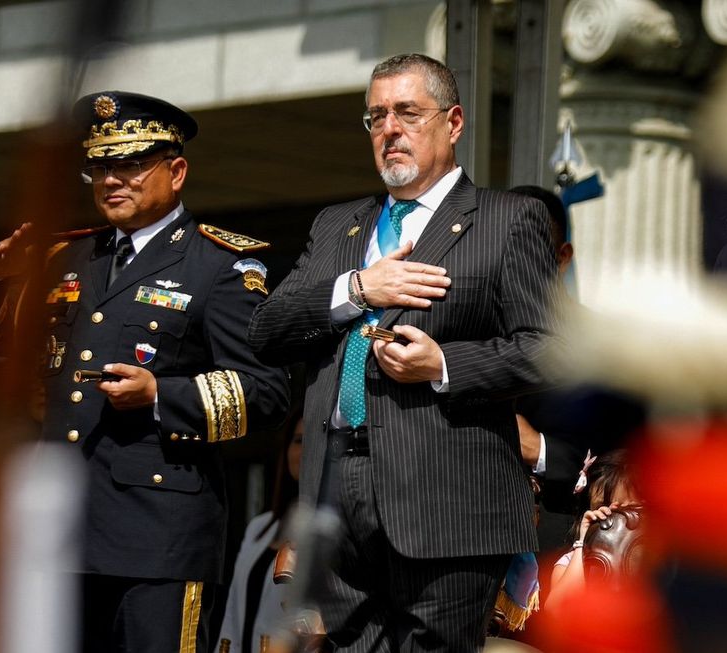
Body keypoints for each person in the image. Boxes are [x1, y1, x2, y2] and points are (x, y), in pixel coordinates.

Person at [0, 91, 290, 652]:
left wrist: (162, 394)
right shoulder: (69, 257)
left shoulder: (222, 266)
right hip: (60, 534)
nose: (112, 180)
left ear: (176, 171)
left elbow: (268, 393)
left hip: (158, 536)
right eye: (100, 168)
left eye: (130, 165)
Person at [248, 53, 557, 652]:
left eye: (408, 113)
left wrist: (442, 365)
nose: (390, 129)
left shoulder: (508, 220)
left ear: (454, 121)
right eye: (376, 117)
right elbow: (266, 330)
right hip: (337, 491)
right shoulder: (340, 227)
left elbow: (548, 351)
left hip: (444, 500)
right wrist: (358, 288)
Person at [510, 185, 646, 594]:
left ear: (563, 256)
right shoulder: (462, 343)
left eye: (529, 253)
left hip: (570, 552)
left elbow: (632, 458)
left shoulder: (609, 348)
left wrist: (541, 448)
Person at [215, 410, 303, 653]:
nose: (306, 451)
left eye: (316, 440)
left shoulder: (331, 531)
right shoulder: (259, 528)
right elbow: (232, 612)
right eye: (298, 441)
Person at [547, 449, 640, 609]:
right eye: (603, 507)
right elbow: (558, 609)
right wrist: (583, 541)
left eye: (626, 509)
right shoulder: (574, 560)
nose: (613, 517)